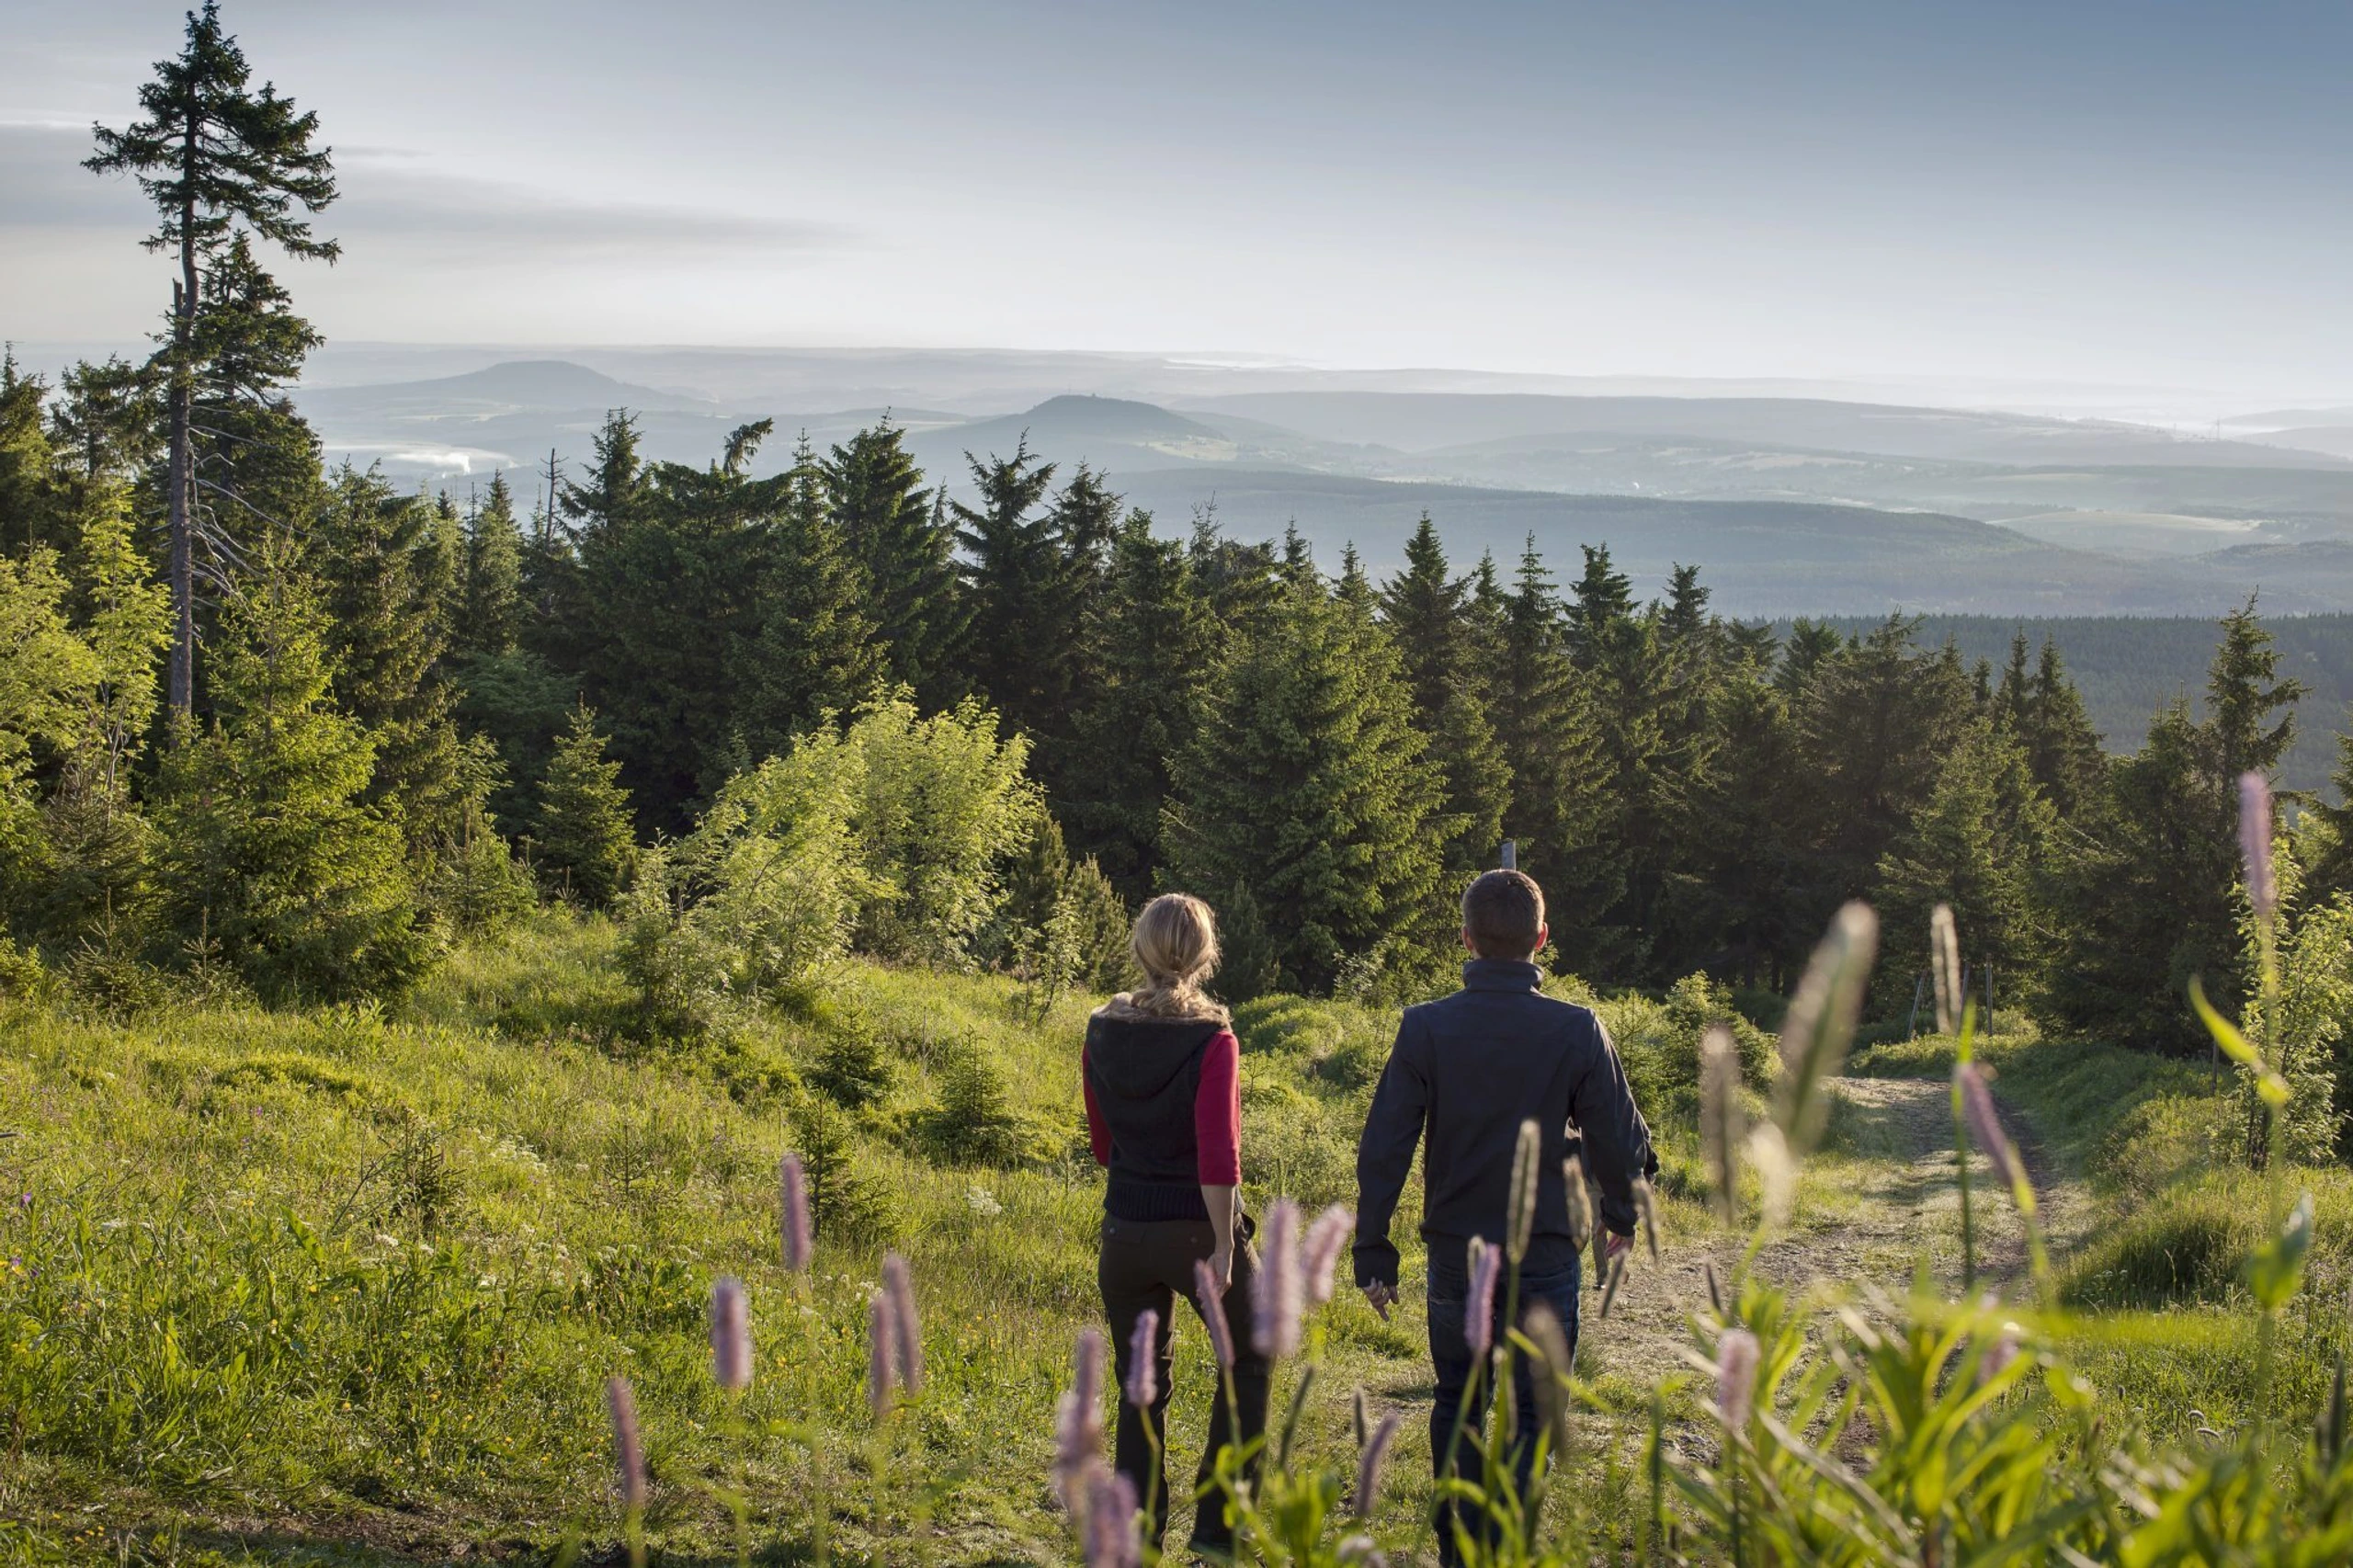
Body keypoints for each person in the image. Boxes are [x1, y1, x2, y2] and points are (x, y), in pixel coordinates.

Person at [1353, 869, 1651, 1564]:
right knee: (1535, 1411)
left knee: (1459, 1400)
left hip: (1457, 1253)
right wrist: (1621, 1214)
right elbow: (1615, 1136)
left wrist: (1373, 1248)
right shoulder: (1577, 1029)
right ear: (1542, 939)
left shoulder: (1425, 1027)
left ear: (1466, 939)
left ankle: (1459, 1552)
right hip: (1546, 1253)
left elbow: (1386, 1145)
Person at [1083, 892, 1267, 1559]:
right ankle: (1218, 1532)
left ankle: (1137, 1536)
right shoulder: (1213, 1040)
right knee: (1250, 1356)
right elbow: (1219, 1155)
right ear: (1205, 955)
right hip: (1196, 1226)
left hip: (1124, 1231)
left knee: (1141, 1383)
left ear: (1140, 948)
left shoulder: (1101, 1029)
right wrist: (1224, 1246)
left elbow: (1103, 1146)